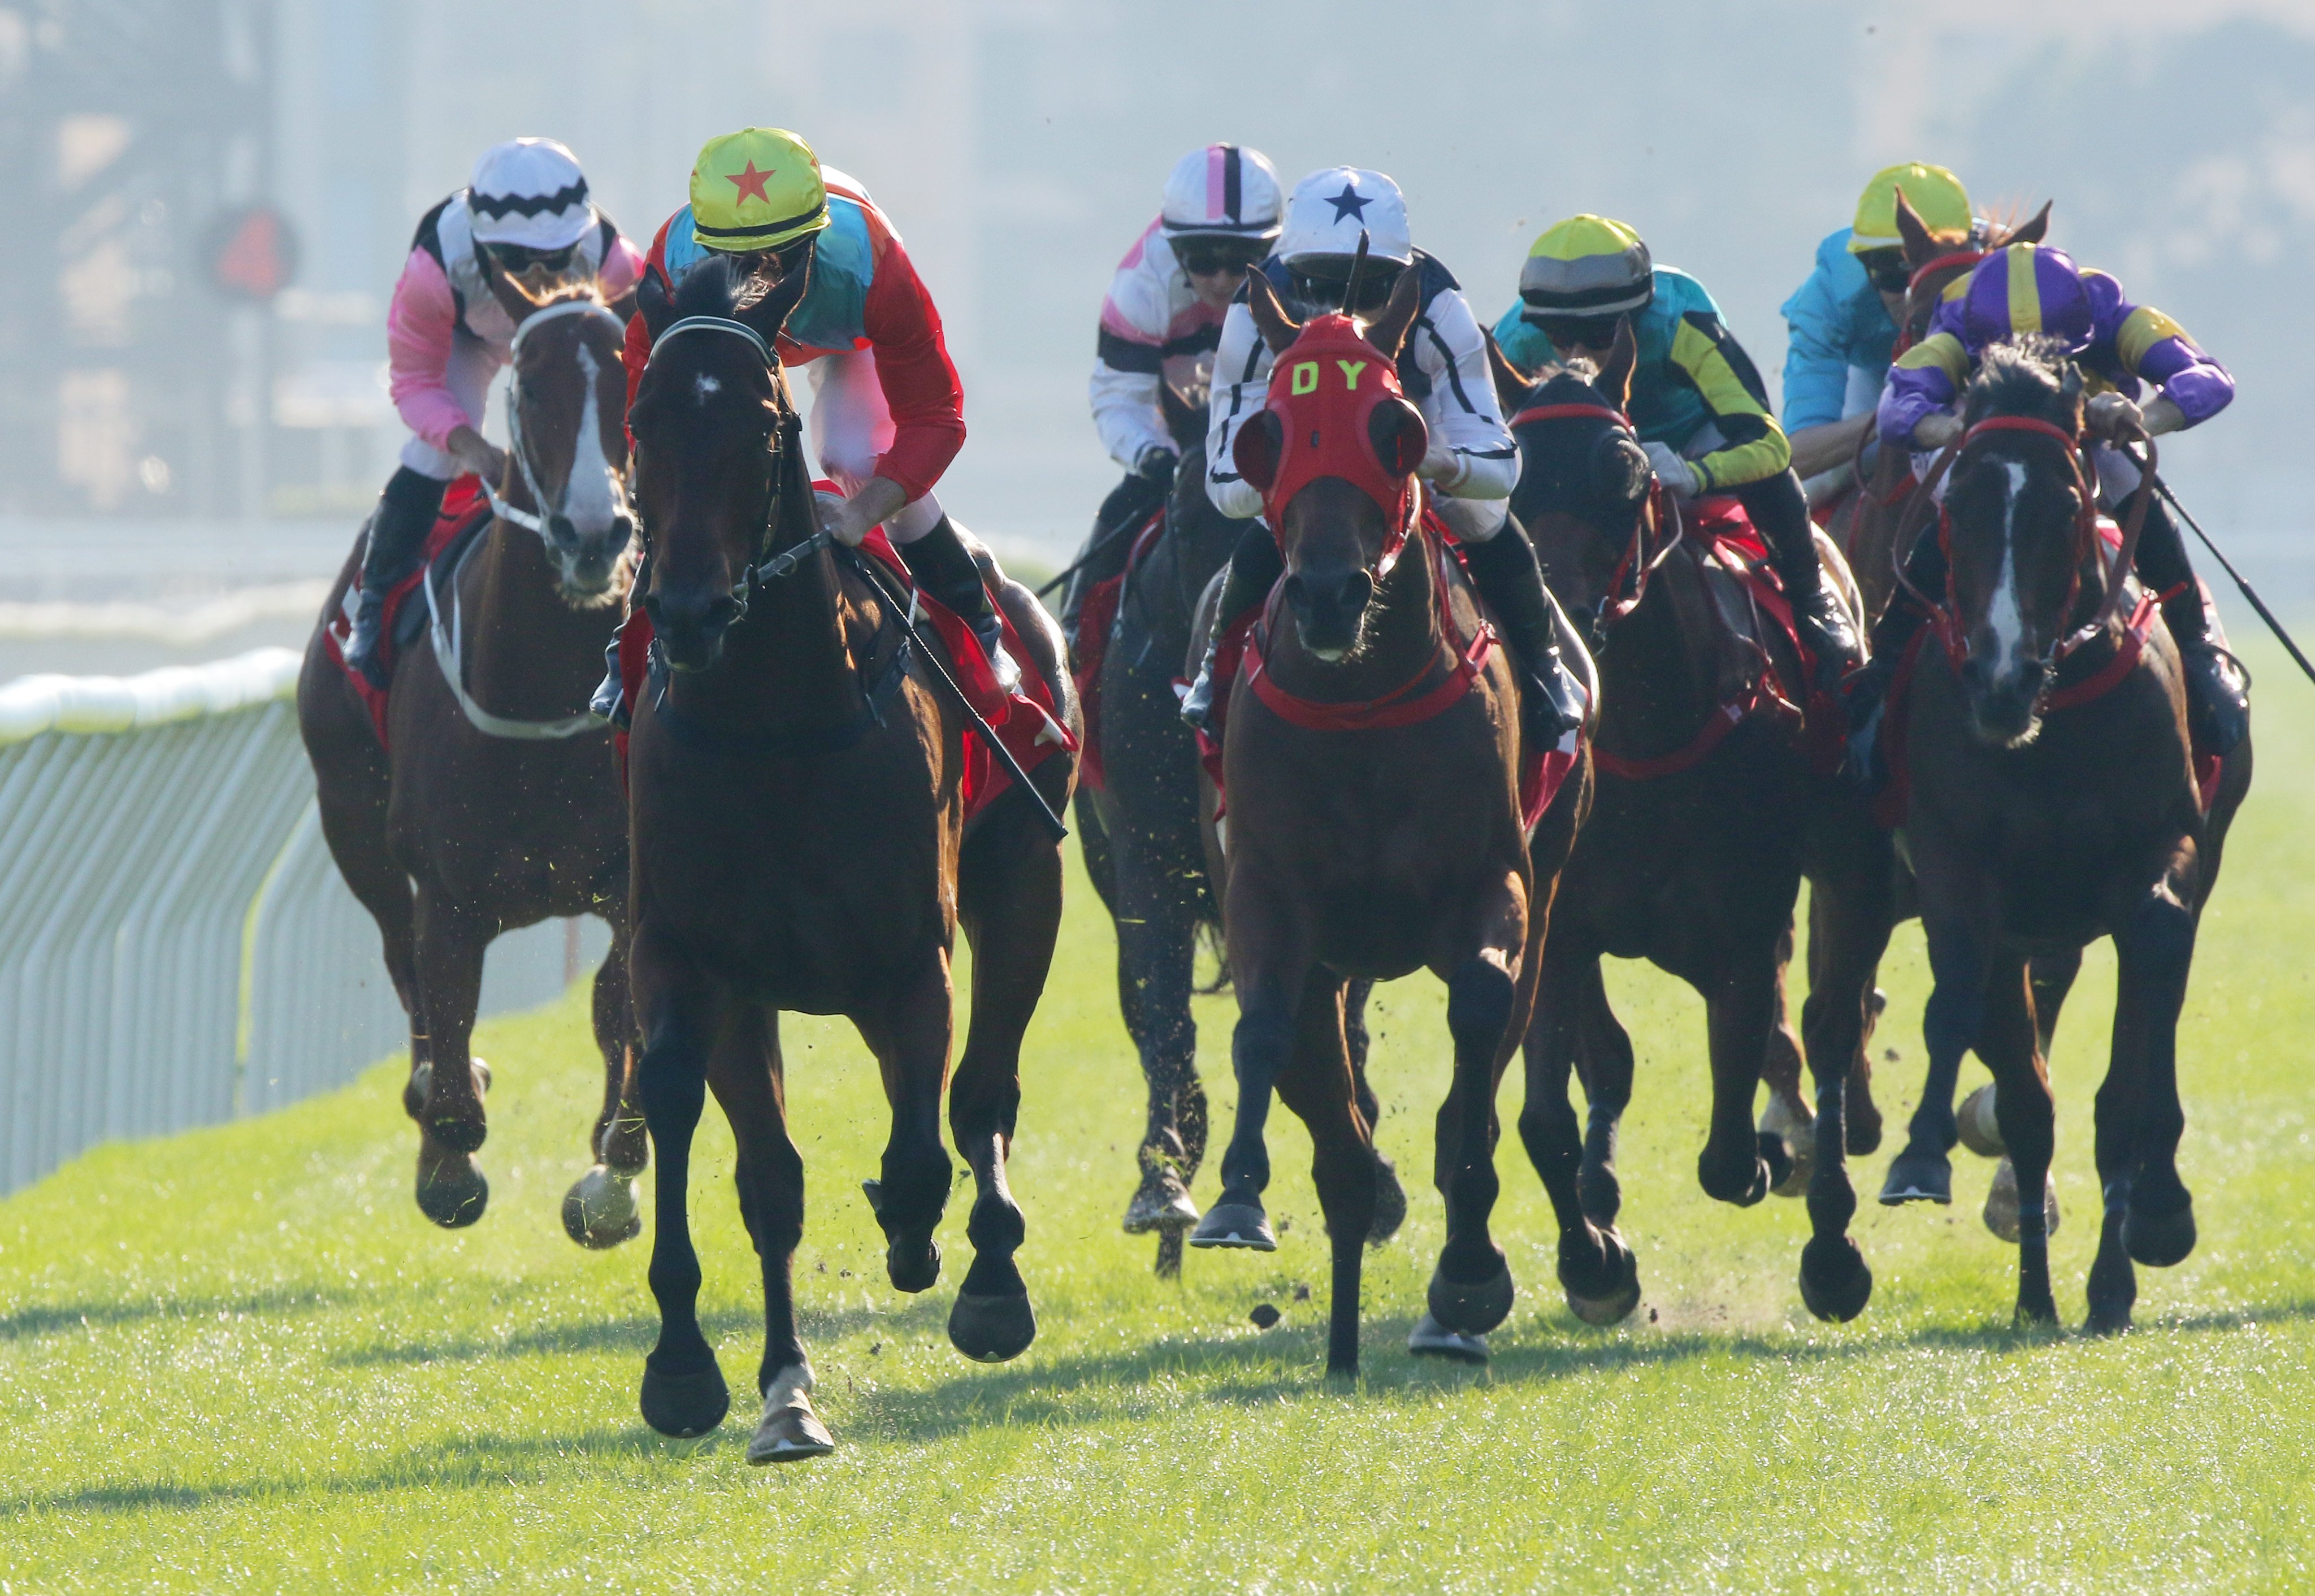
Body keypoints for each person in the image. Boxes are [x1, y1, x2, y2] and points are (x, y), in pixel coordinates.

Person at [1181, 166, 1584, 741]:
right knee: (1284, 524)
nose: (1337, 307)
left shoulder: (1439, 305)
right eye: (1314, 286)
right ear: (1287, 275)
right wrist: (1294, 473)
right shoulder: (1253, 313)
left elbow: (1500, 467)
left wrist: (1433, 463)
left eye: (1370, 290)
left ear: (1399, 284)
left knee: (1483, 515)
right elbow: (1226, 488)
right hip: (1308, 468)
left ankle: (1544, 667)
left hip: (1407, 451)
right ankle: (1213, 672)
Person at [612, 126, 1011, 691]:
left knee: (852, 456)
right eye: (738, 262)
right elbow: (644, 379)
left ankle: (972, 618)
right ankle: (630, 642)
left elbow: (936, 418)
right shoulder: (674, 261)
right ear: (706, 248)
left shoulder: (874, 266)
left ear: (816, 238)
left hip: (848, 345)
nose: (761, 277)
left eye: (781, 257)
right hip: (735, 346)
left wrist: (860, 513)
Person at [1850, 241, 2248, 761]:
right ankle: (1885, 670)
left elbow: (2209, 378)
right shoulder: (1955, 323)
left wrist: (2139, 418)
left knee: (2133, 493)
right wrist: (1952, 426)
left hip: (2090, 439)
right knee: (1969, 508)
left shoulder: (2111, 312)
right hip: (1992, 443)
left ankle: (2197, 653)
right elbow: (1897, 408)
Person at [1493, 214, 1861, 684]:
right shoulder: (1517, 338)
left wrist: (1695, 474)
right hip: (1588, 445)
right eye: (1561, 338)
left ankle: (1813, 600)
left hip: (1691, 438)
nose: (1578, 354)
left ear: (1636, 315)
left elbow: (1767, 443)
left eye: (1602, 334)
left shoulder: (1681, 319)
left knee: (1767, 475)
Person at [350, 137, 643, 688]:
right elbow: (413, 382)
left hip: (567, 345)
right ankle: (373, 608)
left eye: (555, 258)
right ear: (483, 244)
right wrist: (471, 446)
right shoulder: (433, 268)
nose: (535, 274)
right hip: (470, 343)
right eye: (513, 260)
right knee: (433, 459)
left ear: (577, 242)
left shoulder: (613, 262)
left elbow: (647, 358)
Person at [1061, 144, 1284, 643]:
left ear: (1271, 248)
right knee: (1123, 510)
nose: (1223, 280)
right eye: (1203, 261)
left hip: (1268, 431)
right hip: (1179, 433)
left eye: (1244, 261)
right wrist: (1154, 457)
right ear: (1175, 248)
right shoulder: (1140, 286)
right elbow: (1119, 399)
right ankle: (1077, 637)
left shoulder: (1296, 278)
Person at [1780, 163, 1978, 494]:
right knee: (1814, 487)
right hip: (1879, 380)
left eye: (1924, 267)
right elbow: (1798, 456)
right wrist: (1894, 413)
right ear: (1863, 264)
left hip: (1974, 378)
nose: (1910, 291)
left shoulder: (2006, 262)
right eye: (1892, 269)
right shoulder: (1825, 299)